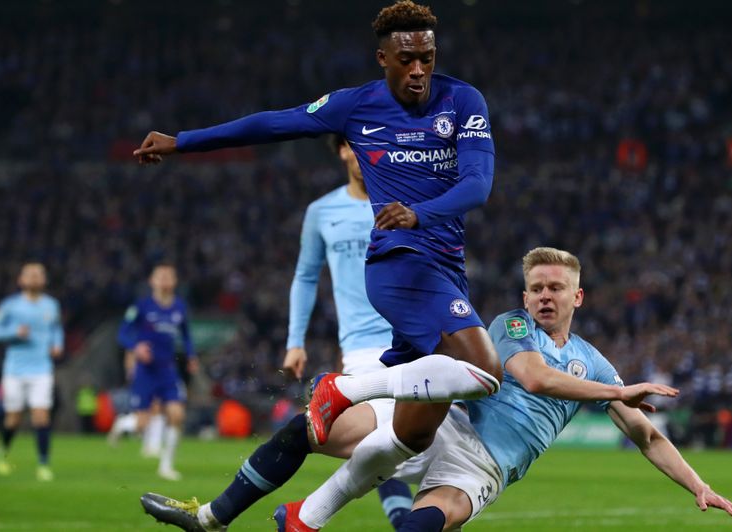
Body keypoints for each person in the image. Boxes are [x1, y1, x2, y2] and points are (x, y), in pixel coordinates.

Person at [134, 2, 502, 521]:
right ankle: (343, 388)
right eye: (406, 59)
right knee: (484, 372)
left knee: (405, 435)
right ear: (382, 58)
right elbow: (272, 124)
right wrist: (182, 142)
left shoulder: (463, 100)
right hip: (398, 268)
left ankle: (229, 516)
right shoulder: (356, 107)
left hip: (442, 270)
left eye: (427, 57)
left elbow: (477, 185)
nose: (419, 69)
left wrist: (420, 214)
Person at [142, 247, 732, 531]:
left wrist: (700, 485)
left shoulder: (594, 363)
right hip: (439, 425)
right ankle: (215, 518)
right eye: (535, 286)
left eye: (554, 289)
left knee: (420, 528)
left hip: (485, 467)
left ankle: (302, 518)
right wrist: (616, 393)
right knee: (309, 428)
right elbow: (531, 378)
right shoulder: (511, 330)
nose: (543, 296)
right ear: (524, 295)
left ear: (577, 297)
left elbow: (646, 436)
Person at [140, 135, 413, 531]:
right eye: (355, 145)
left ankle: (217, 518)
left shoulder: (409, 206)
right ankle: (220, 519)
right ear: (340, 150)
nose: (367, 154)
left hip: (413, 348)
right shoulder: (323, 211)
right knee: (377, 442)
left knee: (390, 444)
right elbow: (304, 276)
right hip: (361, 355)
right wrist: (294, 340)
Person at [118, 262, 199, 480]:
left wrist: (191, 356)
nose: (164, 280)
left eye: (168, 276)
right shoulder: (142, 306)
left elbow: (187, 335)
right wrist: (136, 347)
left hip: (167, 370)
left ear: (174, 281)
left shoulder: (179, 307)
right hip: (145, 371)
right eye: (160, 276)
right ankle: (122, 423)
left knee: (177, 414)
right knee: (142, 423)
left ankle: (166, 466)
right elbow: (123, 333)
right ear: (152, 281)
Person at [0, 262, 64, 481]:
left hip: (42, 369)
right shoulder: (10, 306)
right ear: (21, 280)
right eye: (30, 274)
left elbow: (56, 329)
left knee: (41, 416)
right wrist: (14, 332)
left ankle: (43, 464)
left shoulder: (51, 305)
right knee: (14, 418)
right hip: (15, 369)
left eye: (39, 274)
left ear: (44, 279)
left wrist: (58, 344)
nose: (35, 278)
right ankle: (3, 452)